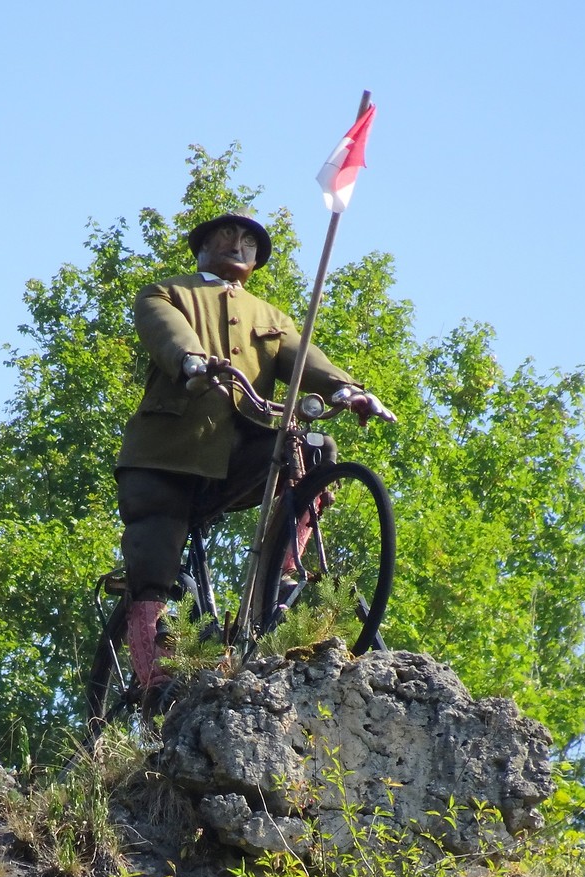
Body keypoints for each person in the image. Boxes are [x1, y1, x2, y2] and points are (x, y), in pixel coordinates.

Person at [114, 212, 393, 698]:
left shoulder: (270, 317)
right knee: (154, 555)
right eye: (226, 235)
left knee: (313, 448)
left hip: (240, 453)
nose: (237, 245)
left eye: (248, 241)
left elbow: (303, 358)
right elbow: (166, 332)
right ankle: (152, 676)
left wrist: (347, 391)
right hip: (168, 452)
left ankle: (280, 575)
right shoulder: (167, 292)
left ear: (258, 260)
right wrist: (190, 361)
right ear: (201, 246)